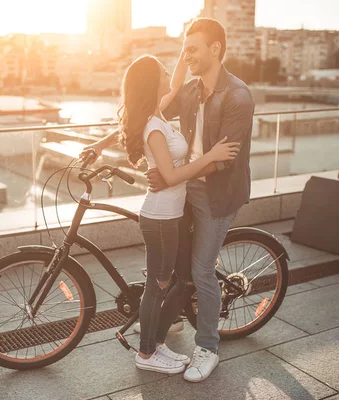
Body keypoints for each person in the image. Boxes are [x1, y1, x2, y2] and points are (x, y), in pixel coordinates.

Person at [82, 18, 255, 382]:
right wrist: (101, 145)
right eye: (183, 48)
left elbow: (225, 159)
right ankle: (163, 324)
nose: (184, 55)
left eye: (192, 48)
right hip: (184, 193)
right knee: (176, 272)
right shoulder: (191, 92)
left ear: (216, 49)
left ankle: (207, 347)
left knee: (201, 271)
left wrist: (172, 174)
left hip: (216, 195)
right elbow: (145, 116)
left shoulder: (238, 96)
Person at [107, 54, 239, 375]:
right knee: (158, 285)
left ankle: (156, 340)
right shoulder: (154, 127)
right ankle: (148, 352)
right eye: (163, 72)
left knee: (178, 281)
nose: (170, 75)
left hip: (169, 215)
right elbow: (172, 175)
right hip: (161, 219)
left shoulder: (157, 113)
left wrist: (186, 53)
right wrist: (212, 155)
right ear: (153, 83)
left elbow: (176, 80)